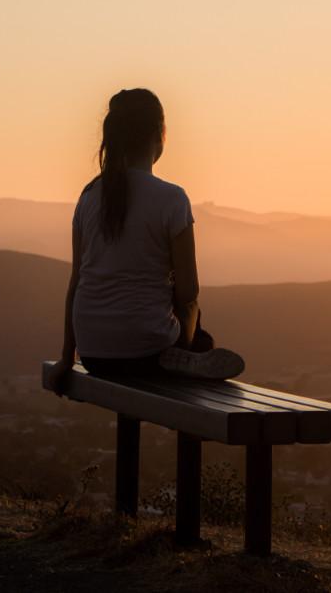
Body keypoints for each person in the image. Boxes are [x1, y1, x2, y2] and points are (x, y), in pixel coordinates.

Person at [47, 88, 244, 394]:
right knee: (195, 316)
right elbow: (189, 291)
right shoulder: (172, 199)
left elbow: (76, 285)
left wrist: (65, 359)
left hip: (94, 354)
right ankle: (191, 354)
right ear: (159, 134)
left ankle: (186, 353)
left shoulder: (88, 197)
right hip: (148, 352)